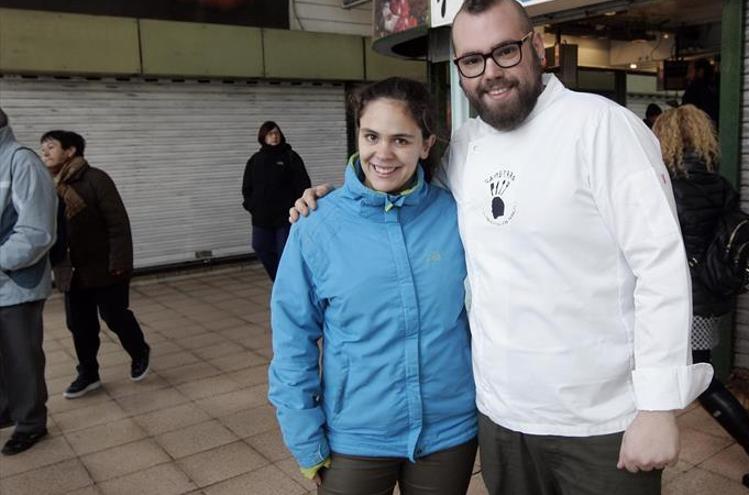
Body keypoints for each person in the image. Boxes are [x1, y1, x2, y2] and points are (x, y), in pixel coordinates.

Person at [293, 2, 713, 493]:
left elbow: (661, 267)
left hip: (599, 423)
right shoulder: (465, 148)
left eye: (505, 52)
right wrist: (335, 200)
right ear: (460, 70)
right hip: (500, 420)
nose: (490, 72)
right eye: (472, 60)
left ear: (537, 47)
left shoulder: (602, 127)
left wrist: (659, 406)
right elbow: (398, 186)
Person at [268, 77, 478, 494]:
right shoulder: (317, 224)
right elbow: (293, 339)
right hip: (355, 435)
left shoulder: (457, 216)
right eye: (371, 136)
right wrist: (305, 438)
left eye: (401, 140)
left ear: (426, 143)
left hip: (448, 433)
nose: (382, 154)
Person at [653, 105, 749, 490]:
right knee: (700, 375)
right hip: (711, 297)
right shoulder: (720, 184)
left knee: (702, 380)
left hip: (683, 300)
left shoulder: (664, 186)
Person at [39, 130, 150, 399]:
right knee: (79, 324)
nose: (44, 152)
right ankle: (88, 374)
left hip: (106, 266)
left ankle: (139, 352)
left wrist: (120, 262)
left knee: (114, 316)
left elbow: (118, 224)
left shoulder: (96, 179)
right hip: (71, 270)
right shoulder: (47, 185)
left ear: (71, 151)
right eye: (42, 147)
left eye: (51, 147)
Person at [0, 107, 54, 455]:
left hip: (15, 284)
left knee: (21, 357)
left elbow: (37, 232)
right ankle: (6, 410)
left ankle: (32, 422)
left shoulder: (21, 161)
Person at [242, 121, 311, 281]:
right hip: (261, 218)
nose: (274, 136)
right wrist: (252, 206)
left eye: (276, 133)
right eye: (270, 133)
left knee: (286, 254)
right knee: (260, 247)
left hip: (285, 218)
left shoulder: (290, 157)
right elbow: (247, 187)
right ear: (263, 137)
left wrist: (298, 207)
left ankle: (288, 286)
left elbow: (303, 185)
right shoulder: (255, 160)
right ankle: (280, 282)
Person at [682, 58, 719, 126]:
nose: (687, 76)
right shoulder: (716, 87)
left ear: (700, 71)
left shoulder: (695, 88)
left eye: (690, 71)